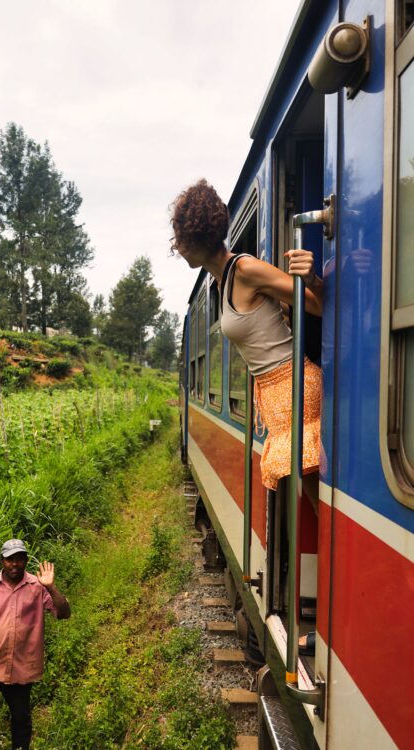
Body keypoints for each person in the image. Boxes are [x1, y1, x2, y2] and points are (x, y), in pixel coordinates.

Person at [171, 179, 322, 654]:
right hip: (275, 397)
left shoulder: (247, 269)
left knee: (323, 510)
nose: (177, 248)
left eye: (180, 239)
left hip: (296, 392)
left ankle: (329, 626)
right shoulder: (222, 279)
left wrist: (310, 277)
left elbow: (313, 303)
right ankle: (317, 618)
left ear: (195, 239)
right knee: (313, 506)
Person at [0, 539, 71, 750]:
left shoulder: (38, 588)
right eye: (10, 559)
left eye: (19, 559)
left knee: (21, 720)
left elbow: (65, 613)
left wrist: (51, 587)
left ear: (26, 561)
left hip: (21, 670)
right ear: (1, 561)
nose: (15, 564)